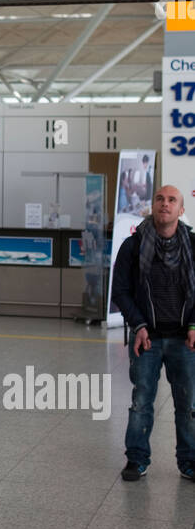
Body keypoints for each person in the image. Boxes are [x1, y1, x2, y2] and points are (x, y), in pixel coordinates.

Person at [111, 186, 195, 483]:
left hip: (185, 339)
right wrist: (139, 324)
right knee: (141, 401)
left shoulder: (192, 245)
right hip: (147, 337)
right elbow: (120, 290)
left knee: (188, 404)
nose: (165, 204)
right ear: (152, 206)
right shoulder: (133, 246)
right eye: (160, 199)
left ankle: (189, 461)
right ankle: (137, 460)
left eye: (172, 200)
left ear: (181, 210)